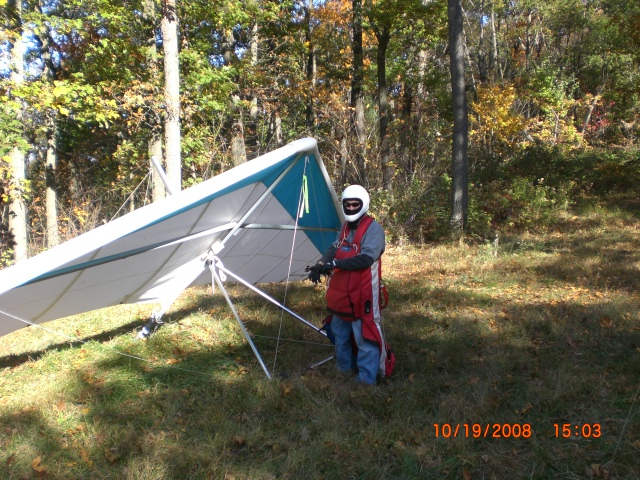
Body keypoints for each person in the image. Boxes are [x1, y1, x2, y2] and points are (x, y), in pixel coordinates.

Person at [308, 185, 388, 385]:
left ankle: (366, 379)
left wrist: (335, 264)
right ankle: (344, 368)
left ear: (363, 205)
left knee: (364, 336)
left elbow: (366, 258)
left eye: (355, 205)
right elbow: (335, 247)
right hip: (342, 293)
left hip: (363, 293)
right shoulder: (345, 228)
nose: (351, 208)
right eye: (347, 204)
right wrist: (321, 264)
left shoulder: (374, 229)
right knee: (339, 332)